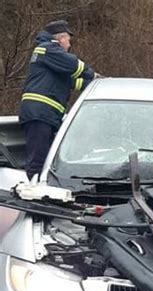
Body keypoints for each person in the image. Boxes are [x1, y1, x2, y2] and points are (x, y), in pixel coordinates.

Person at [19, 20, 96, 181]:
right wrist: (93, 75)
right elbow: (74, 65)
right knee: (38, 160)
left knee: (44, 159)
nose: (69, 45)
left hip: (44, 114)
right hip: (40, 113)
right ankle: (34, 195)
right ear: (61, 39)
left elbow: (72, 82)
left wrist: (98, 84)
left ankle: (39, 186)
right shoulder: (48, 49)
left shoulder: (52, 60)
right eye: (68, 41)